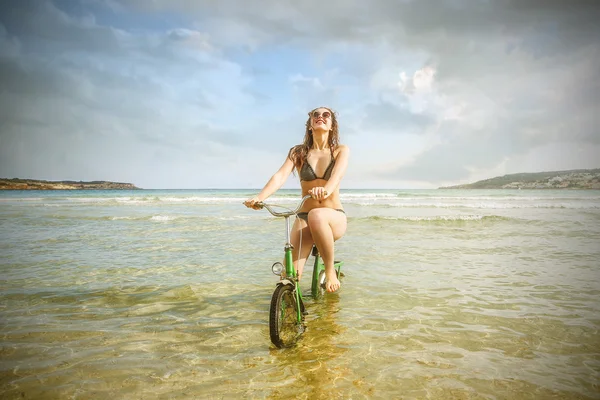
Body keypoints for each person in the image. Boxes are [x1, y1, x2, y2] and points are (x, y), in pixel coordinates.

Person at [244, 107, 350, 292]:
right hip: (304, 217)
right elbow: (280, 176)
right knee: (290, 276)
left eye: (326, 115)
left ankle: (330, 270)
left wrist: (325, 190)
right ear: (309, 125)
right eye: (315, 115)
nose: (320, 117)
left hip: (333, 217)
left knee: (317, 214)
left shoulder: (340, 150)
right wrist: (259, 197)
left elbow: (336, 177)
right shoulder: (298, 152)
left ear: (332, 125)